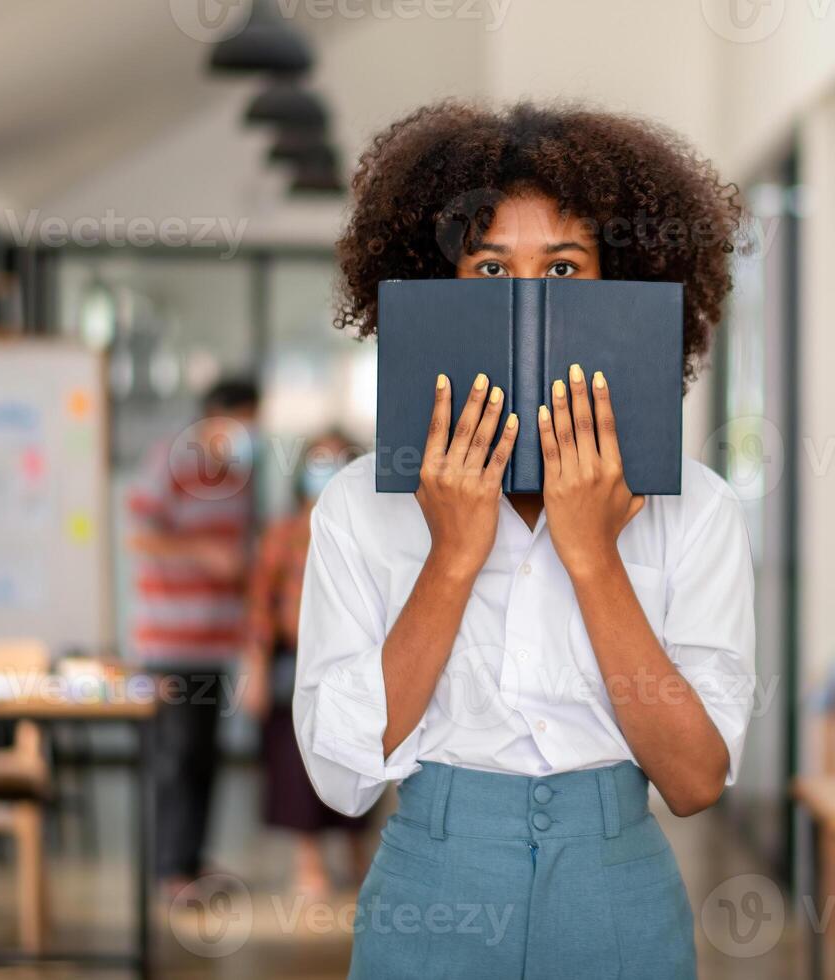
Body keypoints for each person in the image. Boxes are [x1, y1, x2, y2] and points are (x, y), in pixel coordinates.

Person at [294, 102, 756, 980]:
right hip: (431, 885)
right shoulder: (360, 506)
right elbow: (340, 776)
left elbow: (695, 781)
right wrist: (453, 555)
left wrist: (592, 557)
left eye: (566, 267)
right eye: (491, 266)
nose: (529, 299)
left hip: (617, 895)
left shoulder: (696, 508)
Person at [127, 377, 259, 896]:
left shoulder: (240, 476)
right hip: (168, 642)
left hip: (216, 642)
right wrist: (201, 554)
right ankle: (168, 872)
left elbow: (243, 557)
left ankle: (192, 862)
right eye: (241, 418)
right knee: (174, 759)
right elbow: (140, 534)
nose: (248, 430)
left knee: (206, 758)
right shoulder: (170, 461)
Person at [243, 430, 371, 896]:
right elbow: (260, 605)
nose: (329, 471)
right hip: (292, 660)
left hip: (356, 663)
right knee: (296, 762)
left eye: (340, 461)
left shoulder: (366, 531)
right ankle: (308, 861)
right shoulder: (282, 535)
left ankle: (357, 852)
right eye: (320, 462)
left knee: (358, 751)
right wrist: (254, 668)